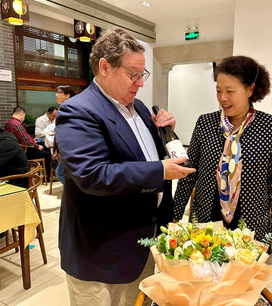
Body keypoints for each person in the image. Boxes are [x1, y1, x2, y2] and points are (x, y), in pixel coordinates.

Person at [55, 27, 195, 306]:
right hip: (101, 247)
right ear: (105, 67)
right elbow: (92, 174)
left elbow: (144, 155)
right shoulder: (78, 111)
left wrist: (167, 132)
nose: (139, 83)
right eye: (132, 74)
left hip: (143, 240)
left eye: (142, 74)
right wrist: (159, 171)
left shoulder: (140, 107)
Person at [173, 55, 272, 258]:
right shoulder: (205, 124)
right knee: (204, 276)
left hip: (251, 222)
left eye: (230, 91)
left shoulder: (271, 127)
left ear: (250, 90)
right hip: (207, 218)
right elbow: (189, 173)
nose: (222, 98)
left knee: (242, 282)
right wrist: (174, 214)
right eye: (218, 90)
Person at [4, 106, 52, 180]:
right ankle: (47, 178)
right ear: (21, 114)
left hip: (14, 151)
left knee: (44, 149)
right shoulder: (17, 124)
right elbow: (26, 141)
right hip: (23, 152)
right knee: (47, 153)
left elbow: (22, 139)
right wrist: (37, 146)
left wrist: (33, 140)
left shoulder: (8, 123)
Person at [52, 85, 76, 184]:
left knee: (60, 172)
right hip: (70, 146)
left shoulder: (67, 108)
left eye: (59, 92)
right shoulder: (71, 106)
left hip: (70, 146)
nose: (56, 95)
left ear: (67, 95)